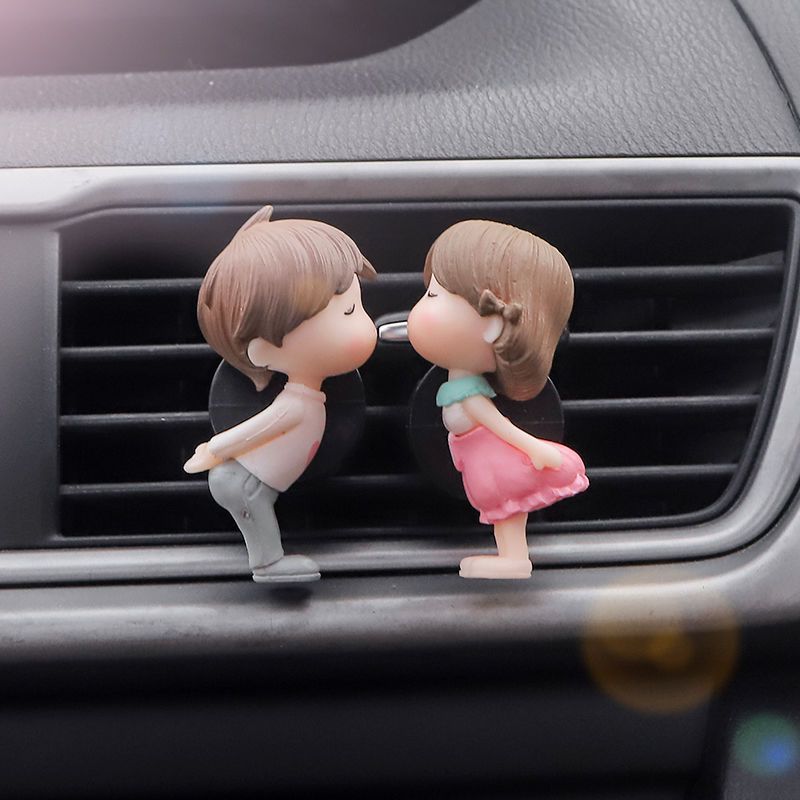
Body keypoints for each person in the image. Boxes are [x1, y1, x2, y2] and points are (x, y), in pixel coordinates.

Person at [184, 205, 377, 582]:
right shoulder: (295, 404)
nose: (366, 323)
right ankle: (268, 564)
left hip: (248, 478)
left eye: (355, 305)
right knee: (257, 512)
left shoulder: (304, 399)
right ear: (261, 351)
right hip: (242, 482)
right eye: (349, 310)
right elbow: (258, 430)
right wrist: (216, 448)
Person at [407, 219, 588, 579]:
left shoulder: (471, 396)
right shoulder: (463, 385)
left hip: (492, 457)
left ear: (495, 326)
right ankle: (512, 557)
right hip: (477, 454)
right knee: (506, 509)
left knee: (508, 507)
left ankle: (514, 559)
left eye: (434, 295)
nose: (420, 306)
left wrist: (533, 448)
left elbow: (498, 424)